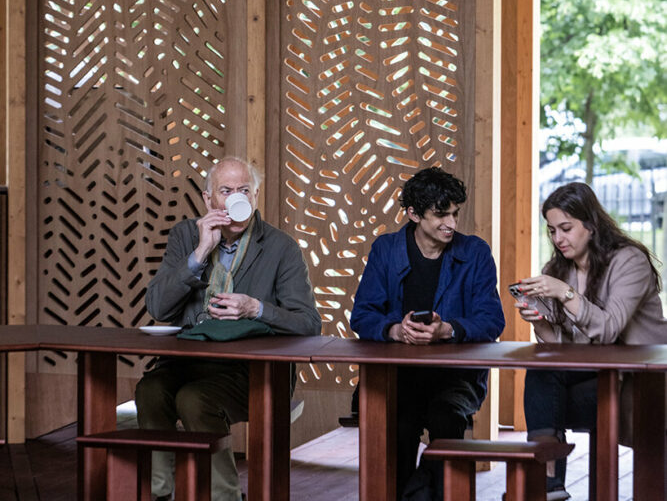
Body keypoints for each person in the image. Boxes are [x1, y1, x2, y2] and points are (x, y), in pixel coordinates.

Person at [135, 155, 321, 501]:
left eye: (244, 190)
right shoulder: (186, 236)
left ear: (255, 197)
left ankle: (225, 496)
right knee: (150, 390)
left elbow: (309, 323)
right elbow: (159, 307)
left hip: (250, 370)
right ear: (209, 199)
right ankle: (159, 492)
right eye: (226, 191)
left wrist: (255, 308)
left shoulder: (281, 247)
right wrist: (200, 253)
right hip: (187, 362)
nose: (236, 198)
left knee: (194, 399)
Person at [350, 166, 505, 500]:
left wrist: (448, 329)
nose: (451, 223)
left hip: (456, 378)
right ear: (414, 214)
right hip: (398, 376)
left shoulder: (475, 252)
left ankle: (420, 494)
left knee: (446, 420)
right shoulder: (386, 249)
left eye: (454, 214)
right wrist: (395, 329)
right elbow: (362, 315)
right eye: (440, 215)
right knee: (398, 425)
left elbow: (493, 320)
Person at [515, 181, 667, 501]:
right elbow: (562, 351)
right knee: (542, 373)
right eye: (552, 231)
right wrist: (539, 321)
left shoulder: (629, 261)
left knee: (545, 393)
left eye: (566, 228)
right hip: (597, 374)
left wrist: (565, 293)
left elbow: (609, 329)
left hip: (641, 379)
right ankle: (550, 486)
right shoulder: (558, 268)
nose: (558, 239)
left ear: (591, 224)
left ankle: (547, 483)